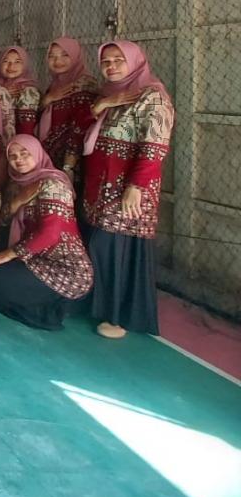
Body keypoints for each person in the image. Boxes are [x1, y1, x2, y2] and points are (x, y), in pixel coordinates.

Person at [83, 40, 174, 339]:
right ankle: (102, 308)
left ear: (135, 61)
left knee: (115, 248)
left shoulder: (152, 97)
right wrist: (103, 105)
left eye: (118, 60)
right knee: (102, 246)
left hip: (128, 187)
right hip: (102, 184)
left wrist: (137, 186)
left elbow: (154, 146)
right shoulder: (109, 94)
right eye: (106, 61)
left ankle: (118, 317)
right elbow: (85, 130)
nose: (111, 66)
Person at [0, 135, 93, 330]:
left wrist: (9, 254)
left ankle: (49, 312)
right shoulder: (16, 185)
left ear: (37, 153)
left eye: (25, 153)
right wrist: (17, 201)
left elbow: (50, 234)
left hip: (65, 268)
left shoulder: (53, 184)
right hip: (34, 260)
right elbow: (3, 220)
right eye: (12, 156)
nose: (19, 160)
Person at [37, 37, 99, 186]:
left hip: (72, 159)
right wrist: (48, 99)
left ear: (75, 56)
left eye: (65, 55)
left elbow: (82, 125)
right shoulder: (55, 85)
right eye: (52, 56)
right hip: (51, 154)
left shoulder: (84, 84)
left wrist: (69, 165)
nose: (57, 61)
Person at [0, 47, 41, 136]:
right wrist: (3, 92)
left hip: (22, 141)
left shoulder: (30, 90)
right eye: (6, 61)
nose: (11, 66)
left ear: (25, 65)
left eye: (17, 62)